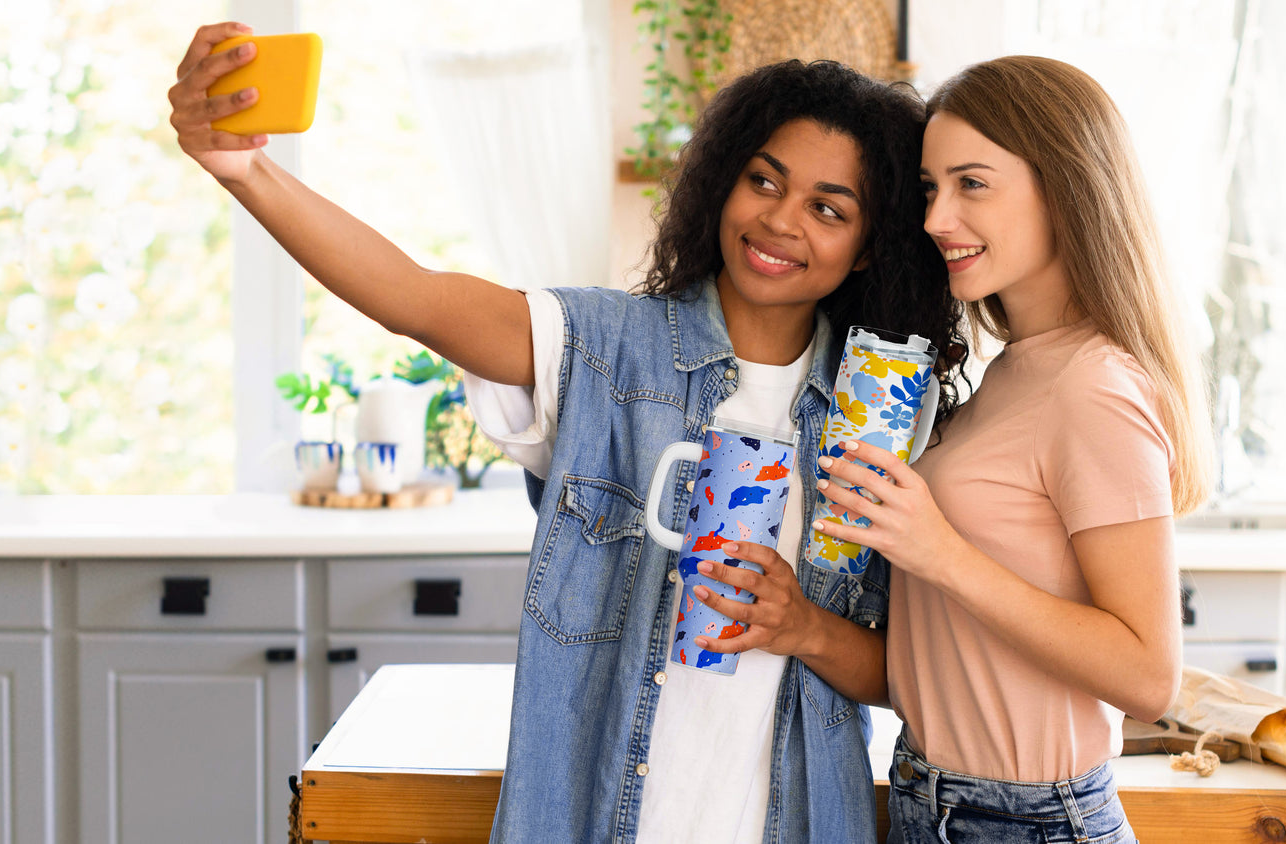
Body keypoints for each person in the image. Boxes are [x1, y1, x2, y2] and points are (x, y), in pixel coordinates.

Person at [169, 23, 966, 842]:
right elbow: (414, 295)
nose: (780, 221)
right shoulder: (600, 350)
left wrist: (802, 625)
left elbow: (911, 673)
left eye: (828, 209)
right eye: (764, 181)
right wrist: (247, 171)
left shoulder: (882, 411)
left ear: (868, 248)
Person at [691, 54, 1209, 843]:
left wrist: (938, 551)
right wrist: (803, 624)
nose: (935, 219)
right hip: (934, 801)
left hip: (1025, 821)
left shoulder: (1093, 384)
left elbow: (1148, 677)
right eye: (932, 189)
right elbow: (953, 664)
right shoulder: (1015, 370)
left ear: (1063, 184)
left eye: (973, 184)